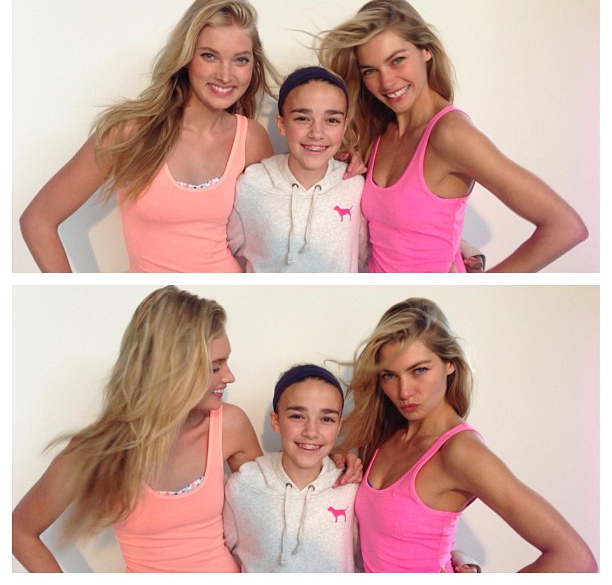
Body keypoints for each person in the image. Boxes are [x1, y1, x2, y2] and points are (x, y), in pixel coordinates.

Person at [11, 287, 360, 573]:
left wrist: (332, 460)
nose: (229, 376)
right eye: (215, 367)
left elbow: (272, 497)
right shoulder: (98, 449)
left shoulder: (229, 425)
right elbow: (18, 532)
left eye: (226, 362)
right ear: (171, 369)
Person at [317, 0, 588, 272]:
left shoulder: (450, 134)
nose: (386, 82)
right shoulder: (379, 130)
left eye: (397, 60)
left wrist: (480, 289)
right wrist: (347, 162)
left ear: (426, 50)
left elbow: (565, 227)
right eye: (370, 71)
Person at [19, 0, 279, 273]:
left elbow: (269, 240)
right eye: (209, 56)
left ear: (253, 64)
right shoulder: (128, 134)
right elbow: (38, 221)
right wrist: (73, 292)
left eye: (241, 59)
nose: (225, 75)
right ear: (186, 57)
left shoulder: (251, 139)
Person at [338, 297, 598, 572]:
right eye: (389, 375)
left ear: (450, 363)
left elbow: (576, 560)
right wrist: (339, 463)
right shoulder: (387, 434)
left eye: (419, 370)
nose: (404, 392)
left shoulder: (460, 451)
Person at [227, 66, 369, 272]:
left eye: (332, 120)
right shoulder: (251, 184)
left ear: (344, 127)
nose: (317, 133)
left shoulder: (355, 186)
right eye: (302, 118)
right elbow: (227, 253)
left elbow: (364, 257)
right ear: (282, 124)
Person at [223, 364, 359, 571]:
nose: (311, 432)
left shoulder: (351, 487)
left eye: (326, 419)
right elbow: (222, 554)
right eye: (297, 416)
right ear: (276, 421)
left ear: (339, 426)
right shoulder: (244, 485)